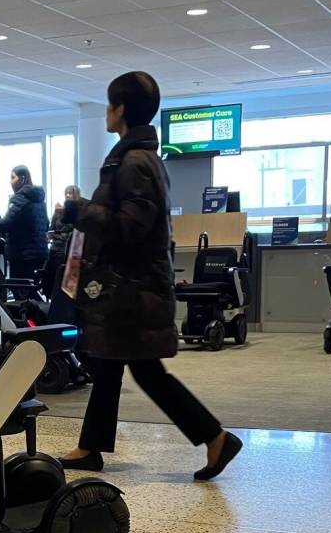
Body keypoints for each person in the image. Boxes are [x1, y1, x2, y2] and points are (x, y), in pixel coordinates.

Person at [58, 71, 242, 481]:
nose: (106, 112)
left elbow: (131, 227)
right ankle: (91, 447)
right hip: (132, 288)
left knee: (144, 371)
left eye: (109, 105)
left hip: (133, 290)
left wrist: (79, 210)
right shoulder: (135, 156)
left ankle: (214, 437)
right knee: (107, 364)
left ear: (120, 109)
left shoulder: (135, 161)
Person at [0, 165, 49, 280]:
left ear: (22, 178)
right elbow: (46, 224)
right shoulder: (39, 200)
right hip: (40, 253)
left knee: (21, 291)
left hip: (23, 255)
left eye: (13, 178)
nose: (10, 182)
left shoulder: (20, 198)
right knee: (34, 290)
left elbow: (6, 224)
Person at [42, 184, 81, 297]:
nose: (68, 195)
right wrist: (57, 235)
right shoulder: (58, 212)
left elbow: (74, 233)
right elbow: (51, 230)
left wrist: (61, 235)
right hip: (55, 248)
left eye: (70, 193)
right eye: (66, 193)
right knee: (49, 274)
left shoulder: (78, 212)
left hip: (68, 251)